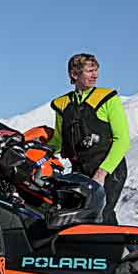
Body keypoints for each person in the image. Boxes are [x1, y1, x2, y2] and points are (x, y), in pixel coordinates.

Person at [47, 53, 130, 224]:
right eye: (89, 71)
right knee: (76, 219)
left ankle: (124, 250)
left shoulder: (108, 99)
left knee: (102, 215)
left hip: (109, 170)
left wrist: (102, 173)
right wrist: (36, 152)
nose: (95, 75)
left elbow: (122, 140)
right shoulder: (62, 104)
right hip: (79, 171)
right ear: (74, 74)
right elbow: (58, 140)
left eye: (96, 70)